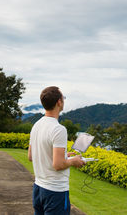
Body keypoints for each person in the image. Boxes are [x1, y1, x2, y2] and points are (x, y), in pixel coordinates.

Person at [28, 86, 85, 215]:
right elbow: (58, 165)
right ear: (59, 102)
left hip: (38, 189)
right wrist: (73, 161)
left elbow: (31, 156)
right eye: (63, 98)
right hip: (55, 191)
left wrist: (65, 155)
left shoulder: (36, 125)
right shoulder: (58, 129)